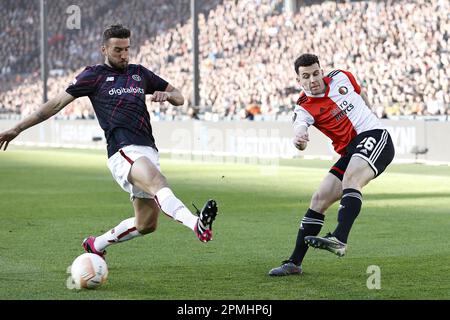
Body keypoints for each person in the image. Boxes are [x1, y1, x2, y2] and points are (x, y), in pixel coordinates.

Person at [0, 25, 218, 260]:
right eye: (117, 50)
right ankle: (197, 225)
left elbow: (180, 97)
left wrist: (168, 95)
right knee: (158, 182)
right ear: (104, 49)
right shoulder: (93, 76)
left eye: (127, 49)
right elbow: (54, 105)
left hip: (148, 150)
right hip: (123, 151)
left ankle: (96, 244)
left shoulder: (139, 73)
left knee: (146, 224)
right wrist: (17, 128)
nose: (124, 55)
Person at [269, 53, 394, 276]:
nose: (313, 79)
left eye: (316, 73)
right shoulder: (304, 107)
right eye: (306, 76)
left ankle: (339, 238)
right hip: (350, 151)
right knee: (319, 198)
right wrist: (299, 140)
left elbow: (360, 93)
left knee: (351, 179)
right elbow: (300, 129)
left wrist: (370, 115)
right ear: (299, 80)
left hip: (374, 136)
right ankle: (294, 263)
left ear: (322, 70)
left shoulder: (341, 77)